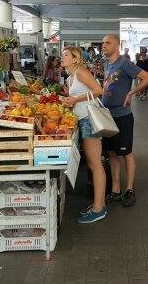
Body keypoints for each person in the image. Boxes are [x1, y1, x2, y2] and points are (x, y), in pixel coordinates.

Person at [101, 34, 148, 208]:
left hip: (122, 116)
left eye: (107, 43)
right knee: (112, 154)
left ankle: (129, 190)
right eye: (103, 43)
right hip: (107, 116)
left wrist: (132, 93)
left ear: (117, 46)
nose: (104, 45)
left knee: (126, 153)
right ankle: (116, 190)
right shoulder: (107, 64)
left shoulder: (125, 63)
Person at [58, 47, 106, 224]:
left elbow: (99, 90)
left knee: (95, 164)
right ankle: (98, 204)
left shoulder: (80, 72)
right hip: (81, 121)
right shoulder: (70, 78)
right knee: (93, 164)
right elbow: (77, 97)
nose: (62, 57)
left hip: (89, 120)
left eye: (66, 55)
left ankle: (99, 208)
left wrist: (75, 100)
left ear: (75, 59)